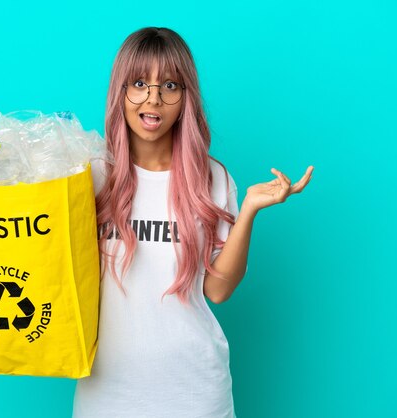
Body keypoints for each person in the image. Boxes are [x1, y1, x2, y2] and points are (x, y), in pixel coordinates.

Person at [73, 27, 314, 418]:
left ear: (186, 98)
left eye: (170, 85)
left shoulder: (212, 179)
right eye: (139, 83)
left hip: (195, 393)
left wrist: (249, 209)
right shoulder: (91, 176)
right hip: (107, 394)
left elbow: (218, 290)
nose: (153, 98)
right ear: (120, 91)